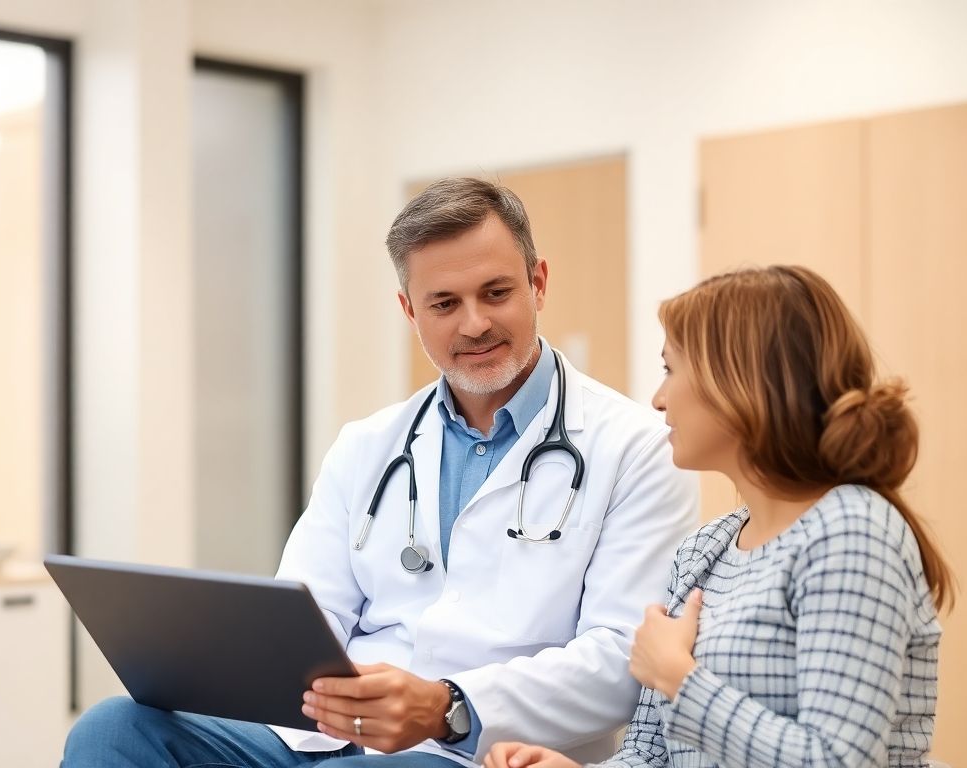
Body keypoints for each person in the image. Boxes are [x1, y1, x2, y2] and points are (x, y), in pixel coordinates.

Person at [62, 177, 696, 767]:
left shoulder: (636, 448)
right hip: (329, 735)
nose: (474, 324)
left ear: (539, 283)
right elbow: (309, 614)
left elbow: (620, 660)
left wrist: (447, 704)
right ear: (408, 309)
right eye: (444, 303)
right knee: (115, 729)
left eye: (496, 293)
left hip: (473, 748)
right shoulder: (368, 445)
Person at [484, 265, 954, 768]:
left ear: (741, 382)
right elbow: (650, 753)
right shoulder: (704, 550)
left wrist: (679, 679)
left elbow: (837, 760)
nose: (658, 398)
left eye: (670, 369)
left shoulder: (852, 533)